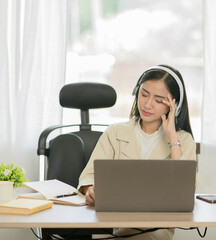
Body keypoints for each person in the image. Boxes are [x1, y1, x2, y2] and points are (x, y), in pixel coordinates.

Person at [78, 64, 197, 240]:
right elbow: (88, 177)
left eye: (158, 100)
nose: (147, 104)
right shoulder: (114, 132)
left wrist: (172, 135)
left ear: (174, 106)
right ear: (136, 92)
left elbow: (185, 191)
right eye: (144, 94)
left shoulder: (183, 140)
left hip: (156, 229)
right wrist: (90, 191)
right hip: (112, 224)